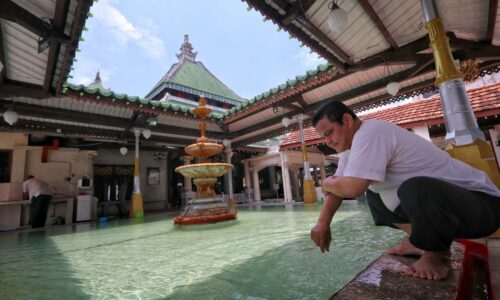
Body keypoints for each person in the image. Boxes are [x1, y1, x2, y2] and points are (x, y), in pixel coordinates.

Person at [309, 101, 500, 280]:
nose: (327, 141)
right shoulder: (349, 152)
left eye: (329, 133)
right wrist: (322, 224)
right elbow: (340, 190)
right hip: (455, 209)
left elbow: (352, 188)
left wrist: (326, 182)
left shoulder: (371, 132)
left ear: (347, 120)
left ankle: (438, 253)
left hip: (484, 207)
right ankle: (419, 241)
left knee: (415, 188)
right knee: (374, 194)